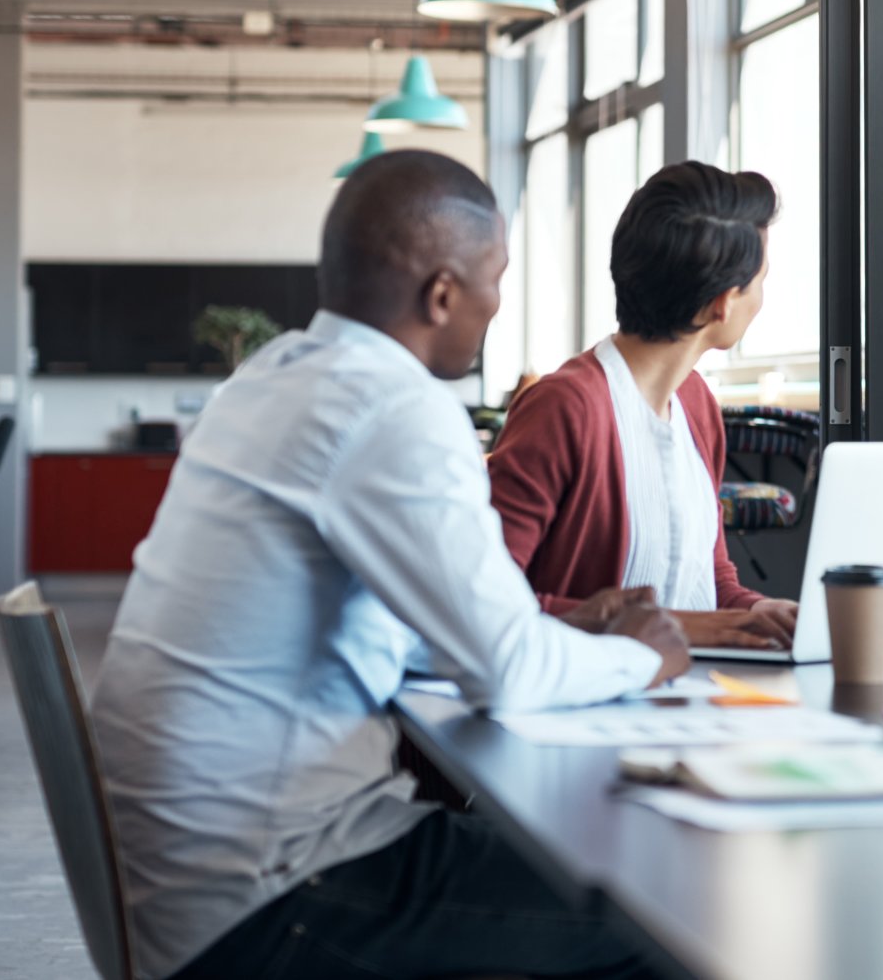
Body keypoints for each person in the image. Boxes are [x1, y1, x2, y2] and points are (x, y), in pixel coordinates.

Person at [91, 149, 686, 980]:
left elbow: (393, 627)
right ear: (443, 294)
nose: (498, 303)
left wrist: (554, 617)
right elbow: (506, 673)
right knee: (663, 913)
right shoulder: (394, 406)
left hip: (193, 872)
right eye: (496, 277)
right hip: (269, 896)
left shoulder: (266, 379)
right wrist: (643, 657)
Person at [491, 161, 800, 652]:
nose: (762, 297)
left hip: (693, 691)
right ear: (723, 303)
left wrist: (754, 608)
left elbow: (709, 575)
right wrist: (670, 626)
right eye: (760, 280)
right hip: (590, 701)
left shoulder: (697, 404)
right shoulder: (564, 408)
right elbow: (484, 603)